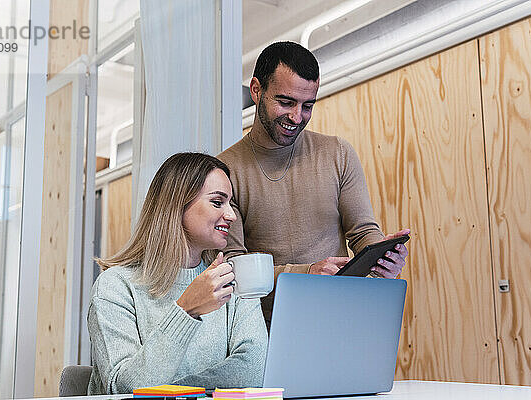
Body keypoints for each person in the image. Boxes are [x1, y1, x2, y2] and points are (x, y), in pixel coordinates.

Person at [217, 41, 410, 325]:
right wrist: (305, 274)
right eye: (285, 102)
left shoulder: (338, 153)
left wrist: (380, 256)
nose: (297, 117)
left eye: (307, 106)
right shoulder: (224, 170)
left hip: (339, 316)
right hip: (265, 328)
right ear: (257, 90)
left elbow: (363, 231)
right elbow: (232, 267)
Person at [87, 153, 267, 394]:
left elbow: (254, 370)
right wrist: (186, 310)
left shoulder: (235, 280)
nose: (232, 215)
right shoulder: (115, 286)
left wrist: (177, 391)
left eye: (230, 203)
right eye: (217, 202)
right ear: (177, 205)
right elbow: (127, 388)